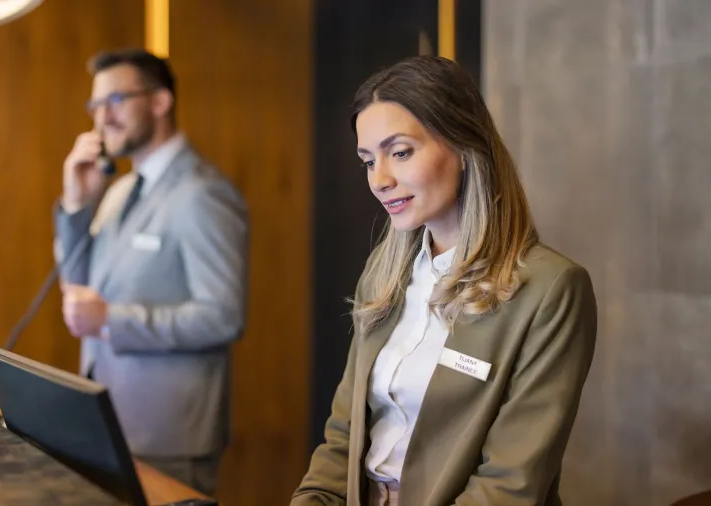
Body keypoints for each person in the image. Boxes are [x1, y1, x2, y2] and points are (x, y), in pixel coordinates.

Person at [292, 56, 598, 506]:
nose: (380, 180)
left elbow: (510, 485)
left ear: (463, 146)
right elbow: (343, 436)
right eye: (367, 161)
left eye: (400, 153)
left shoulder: (553, 289)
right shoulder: (383, 274)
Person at [53, 48, 248, 496]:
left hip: (168, 438)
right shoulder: (118, 189)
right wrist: (76, 203)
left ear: (160, 102)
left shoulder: (203, 193)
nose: (102, 118)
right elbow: (77, 287)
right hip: (106, 425)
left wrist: (112, 320)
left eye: (115, 100)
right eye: (95, 105)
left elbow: (223, 316)